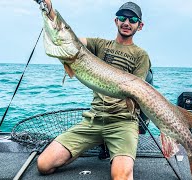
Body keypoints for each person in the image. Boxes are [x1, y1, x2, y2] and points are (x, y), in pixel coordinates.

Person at [37, 1, 151, 179]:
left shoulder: (141, 55)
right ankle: (99, 143)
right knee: (44, 164)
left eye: (132, 19)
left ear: (140, 25)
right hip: (94, 119)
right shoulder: (100, 44)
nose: (126, 22)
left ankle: (111, 145)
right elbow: (70, 36)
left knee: (120, 177)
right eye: (122, 18)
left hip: (122, 123)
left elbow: (138, 91)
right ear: (116, 21)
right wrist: (50, 10)